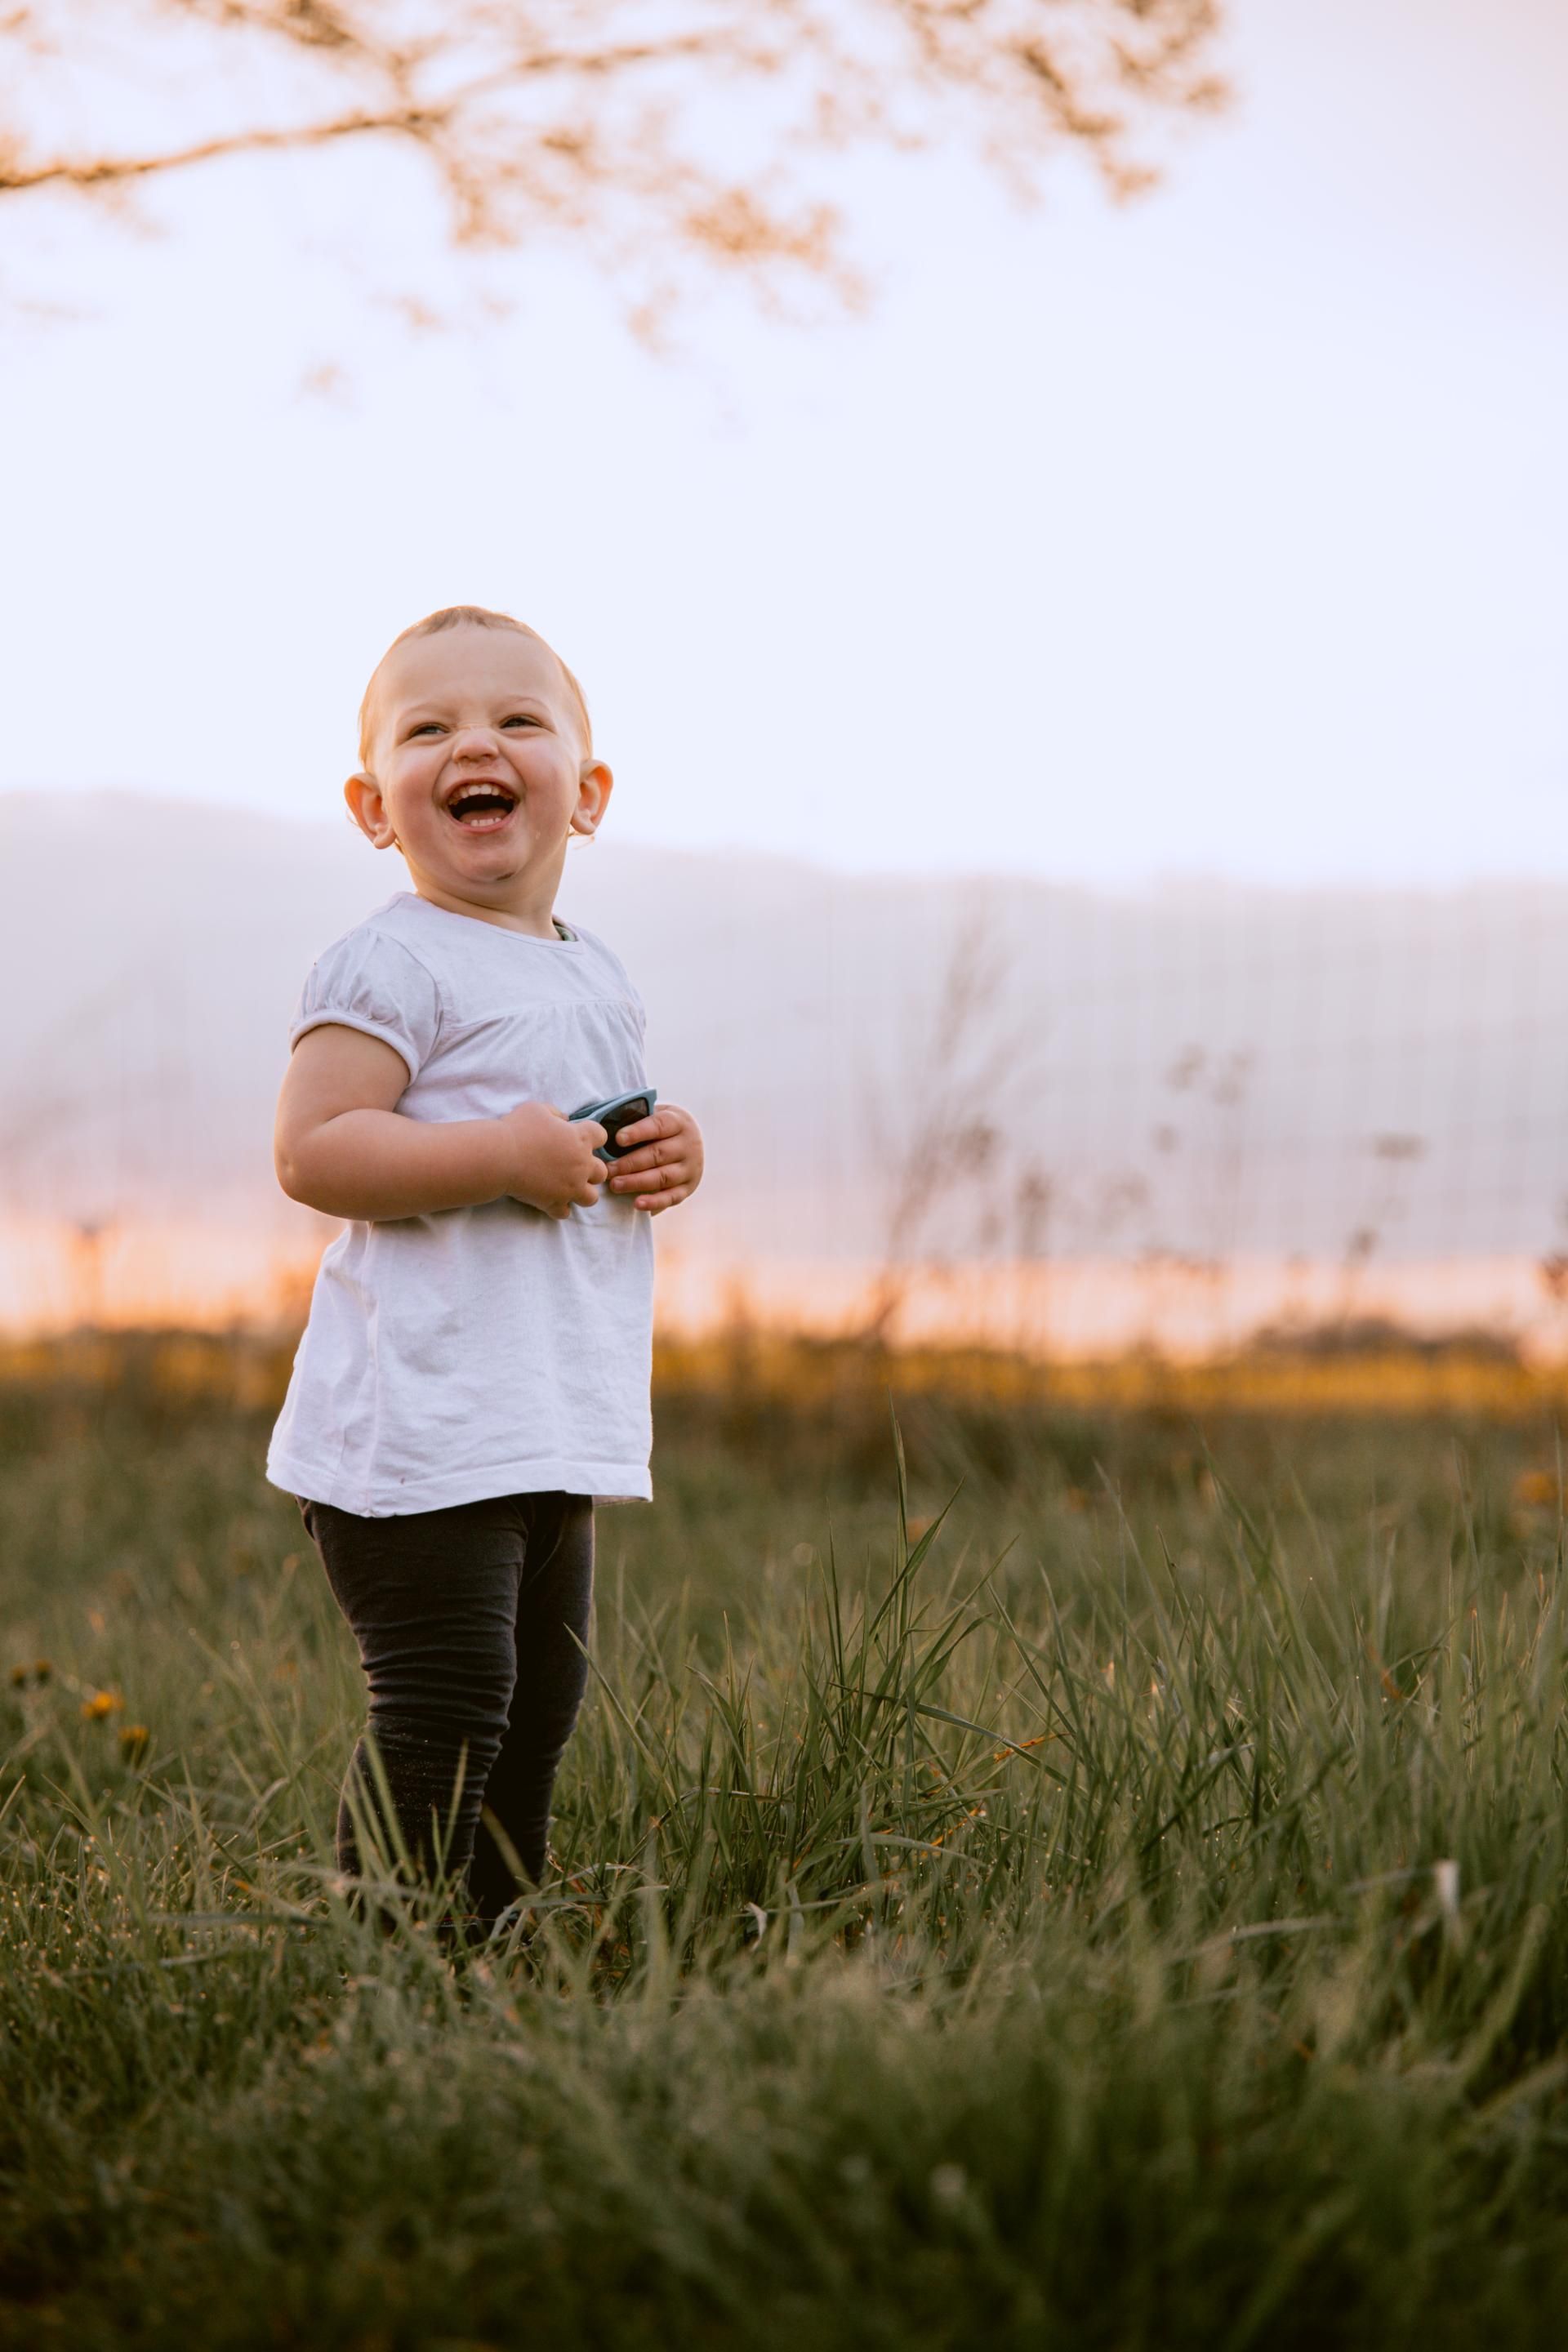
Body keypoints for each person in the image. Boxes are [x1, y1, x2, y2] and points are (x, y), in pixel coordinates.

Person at [265, 604, 704, 1932]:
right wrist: (498, 1155)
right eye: (431, 728)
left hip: (549, 1418)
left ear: (589, 792)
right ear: (373, 804)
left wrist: (661, 1153)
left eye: (520, 721)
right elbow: (317, 1149)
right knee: (450, 1698)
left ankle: (491, 1951)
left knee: (539, 1705)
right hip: (421, 1421)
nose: (480, 745)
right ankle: (380, 1962)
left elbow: (577, 1140)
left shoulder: (594, 970)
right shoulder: (393, 960)